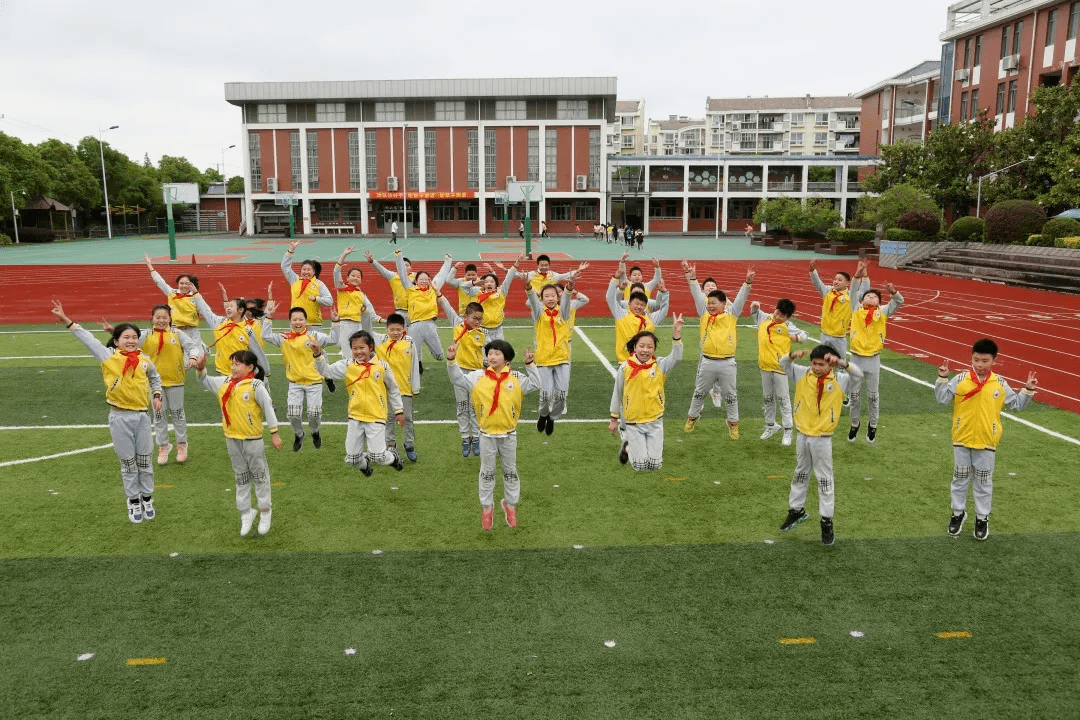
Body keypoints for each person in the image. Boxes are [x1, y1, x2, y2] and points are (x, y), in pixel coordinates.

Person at [51, 301, 164, 524]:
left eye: (134, 337)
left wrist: (157, 394)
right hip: (119, 418)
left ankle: (147, 497)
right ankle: (133, 501)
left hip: (142, 417)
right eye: (126, 337)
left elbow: (155, 377)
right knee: (128, 463)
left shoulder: (144, 359)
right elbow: (88, 339)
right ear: (116, 341)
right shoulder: (108, 357)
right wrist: (67, 320)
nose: (131, 340)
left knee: (145, 461)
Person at [935, 338, 1038, 541]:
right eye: (976, 360)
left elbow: (1016, 404)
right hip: (961, 438)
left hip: (987, 442)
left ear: (994, 361)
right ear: (971, 358)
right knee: (960, 479)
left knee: (983, 481)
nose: (980, 365)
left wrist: (1027, 390)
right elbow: (942, 399)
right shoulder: (961, 379)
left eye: (985, 361)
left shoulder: (999, 384)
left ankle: (982, 518)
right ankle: (958, 514)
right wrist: (942, 379)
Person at [447, 339, 540, 530]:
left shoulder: (515, 377)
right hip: (486, 435)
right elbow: (457, 379)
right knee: (487, 473)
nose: (492, 357)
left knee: (510, 472)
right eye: (489, 353)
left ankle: (510, 505)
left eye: (497, 353)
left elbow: (537, 384)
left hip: (509, 434)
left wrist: (530, 364)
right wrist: (451, 360)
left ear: (506, 358)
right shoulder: (478, 376)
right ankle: (487, 508)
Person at [779, 344, 865, 547]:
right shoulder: (801, 374)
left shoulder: (840, 380)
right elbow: (782, 364)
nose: (816, 368)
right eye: (814, 363)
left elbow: (859, 375)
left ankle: (826, 521)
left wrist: (844, 363)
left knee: (824, 479)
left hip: (823, 439)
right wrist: (792, 355)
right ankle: (796, 510)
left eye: (821, 364)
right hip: (803, 435)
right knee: (800, 473)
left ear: (831, 365)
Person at [196, 349, 283, 537]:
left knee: (260, 476)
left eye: (238, 364)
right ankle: (246, 512)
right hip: (231, 438)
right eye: (232, 363)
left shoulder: (255, 385)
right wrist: (201, 370)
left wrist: (274, 434)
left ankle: (265, 511)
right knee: (241, 477)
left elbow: (269, 409)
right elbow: (205, 381)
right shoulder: (225, 382)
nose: (233, 367)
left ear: (250, 367)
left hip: (253, 439)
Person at [104, 305, 201, 465]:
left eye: (164, 317)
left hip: (176, 380)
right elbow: (128, 340)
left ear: (170, 318)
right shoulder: (146, 335)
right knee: (159, 415)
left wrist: (193, 358)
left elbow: (192, 347)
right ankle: (164, 446)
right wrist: (113, 330)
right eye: (158, 317)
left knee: (177, 414)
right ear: (152, 318)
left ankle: (182, 445)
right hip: (155, 383)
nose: (161, 320)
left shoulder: (177, 334)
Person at [312, 331, 406, 475]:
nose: (358, 351)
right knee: (352, 459)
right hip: (355, 416)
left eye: (362, 348)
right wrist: (318, 354)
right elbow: (327, 371)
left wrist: (398, 410)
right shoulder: (347, 364)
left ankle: (393, 456)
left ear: (371, 347)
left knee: (378, 457)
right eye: (354, 348)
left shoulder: (382, 366)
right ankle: (365, 466)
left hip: (376, 416)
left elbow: (393, 389)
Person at [683, 267, 753, 439]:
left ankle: (733, 423)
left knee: (730, 396)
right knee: (699, 393)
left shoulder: (732, 315)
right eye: (709, 303)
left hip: (727, 362)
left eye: (714, 303)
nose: (710, 305)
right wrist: (693, 279)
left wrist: (747, 282)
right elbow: (697, 295)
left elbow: (741, 299)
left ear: (724, 304)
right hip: (707, 361)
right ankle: (693, 417)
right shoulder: (704, 314)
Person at [261, 301, 339, 451]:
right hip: (295, 383)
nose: (298, 322)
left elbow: (333, 339)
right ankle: (299, 434)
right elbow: (265, 335)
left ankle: (315, 432)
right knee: (293, 414)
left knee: (314, 414)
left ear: (306, 321)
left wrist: (335, 323)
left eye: (301, 319)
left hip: (314, 382)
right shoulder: (284, 337)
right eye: (294, 319)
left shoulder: (314, 335)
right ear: (289, 321)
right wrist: (268, 318)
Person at [608, 317, 685, 471]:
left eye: (649, 347)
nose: (645, 350)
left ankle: (630, 444)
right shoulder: (624, 368)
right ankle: (626, 443)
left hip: (655, 421)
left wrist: (676, 334)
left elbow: (677, 357)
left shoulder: (660, 365)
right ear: (634, 348)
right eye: (641, 346)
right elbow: (617, 394)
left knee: (655, 465)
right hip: (633, 422)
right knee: (640, 466)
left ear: (654, 350)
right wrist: (614, 419)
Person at [847, 283, 904, 444]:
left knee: (873, 396)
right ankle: (854, 423)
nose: (871, 297)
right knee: (854, 396)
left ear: (879, 302)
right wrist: (858, 276)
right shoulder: (855, 309)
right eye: (868, 296)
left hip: (873, 359)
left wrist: (894, 292)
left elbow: (899, 301)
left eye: (875, 297)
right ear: (862, 299)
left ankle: (873, 425)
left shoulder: (883, 312)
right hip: (856, 358)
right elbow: (852, 292)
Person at [749, 298, 809, 447]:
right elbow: (755, 313)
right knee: (768, 398)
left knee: (783, 400)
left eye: (782, 316)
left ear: (787, 317)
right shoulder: (765, 318)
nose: (777, 317)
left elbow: (805, 335)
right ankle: (771, 425)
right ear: (774, 309)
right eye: (777, 312)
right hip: (764, 366)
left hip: (780, 368)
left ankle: (788, 430)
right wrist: (755, 307)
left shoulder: (788, 326)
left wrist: (797, 337)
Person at [527, 271, 580, 435]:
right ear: (541, 299)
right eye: (546, 296)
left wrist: (570, 286)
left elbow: (567, 300)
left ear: (558, 298)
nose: (550, 298)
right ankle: (543, 415)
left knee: (562, 395)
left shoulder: (564, 313)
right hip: (543, 360)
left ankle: (552, 418)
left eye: (553, 295)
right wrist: (528, 287)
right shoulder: (538, 314)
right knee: (545, 395)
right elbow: (533, 301)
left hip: (562, 358)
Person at [437, 294, 487, 457]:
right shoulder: (457, 325)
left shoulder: (483, 333)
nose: (477, 322)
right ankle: (465, 438)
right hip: (459, 373)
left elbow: (490, 350)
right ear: (466, 316)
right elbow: (448, 308)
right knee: (462, 407)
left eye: (480, 319)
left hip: (477, 374)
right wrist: (440, 295)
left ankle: (477, 438)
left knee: (475, 407)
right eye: (474, 318)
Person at [374, 314, 421, 462]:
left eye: (398, 329)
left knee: (407, 418)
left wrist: (415, 387)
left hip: (404, 388)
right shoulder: (381, 340)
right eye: (392, 329)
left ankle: (409, 444)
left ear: (404, 329)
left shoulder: (409, 341)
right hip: (386, 388)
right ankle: (390, 445)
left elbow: (414, 364)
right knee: (388, 418)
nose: (395, 332)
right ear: (387, 329)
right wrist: (366, 314)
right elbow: (366, 329)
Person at [194, 293, 271, 379]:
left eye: (231, 306)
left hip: (241, 375)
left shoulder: (247, 330)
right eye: (227, 306)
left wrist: (266, 370)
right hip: (221, 374)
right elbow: (206, 311)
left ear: (241, 310)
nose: (228, 308)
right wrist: (196, 294)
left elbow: (257, 351)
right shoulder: (220, 323)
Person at [394, 250, 451, 363]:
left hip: (430, 324)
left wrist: (448, 261)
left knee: (439, 356)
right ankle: (417, 365)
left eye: (426, 279)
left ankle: (430, 347)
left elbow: (441, 275)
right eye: (421, 279)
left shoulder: (432, 289)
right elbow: (402, 275)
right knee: (413, 355)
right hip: (414, 325)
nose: (424, 281)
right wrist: (398, 257)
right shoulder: (410, 289)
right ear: (415, 281)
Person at [606, 271, 670, 364]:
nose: (639, 307)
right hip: (626, 363)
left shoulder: (650, 318)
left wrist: (663, 293)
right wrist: (615, 279)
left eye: (642, 305)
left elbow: (663, 310)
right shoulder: (621, 314)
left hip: (647, 363)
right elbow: (610, 298)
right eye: (636, 304)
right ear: (629, 303)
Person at [457, 253, 526, 341]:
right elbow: (463, 286)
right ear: (483, 284)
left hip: (498, 330)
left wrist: (518, 261)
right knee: (486, 353)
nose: (489, 284)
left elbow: (509, 276)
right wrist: (474, 283)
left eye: (492, 282)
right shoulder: (478, 292)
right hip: (483, 329)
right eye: (486, 282)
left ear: (496, 284)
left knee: (499, 352)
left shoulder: (501, 292)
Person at [144, 253, 203, 345]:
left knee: (195, 356)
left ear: (191, 284)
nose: (184, 286)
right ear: (178, 284)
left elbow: (204, 311)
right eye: (181, 283)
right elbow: (160, 282)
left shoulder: (196, 297)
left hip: (192, 331)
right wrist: (150, 266)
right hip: (176, 330)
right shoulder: (172, 293)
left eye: (186, 283)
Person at [334, 245, 380, 354]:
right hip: (345, 324)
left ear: (360, 280)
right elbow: (336, 271)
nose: (355, 278)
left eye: (358, 277)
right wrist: (344, 255)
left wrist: (378, 319)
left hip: (358, 325)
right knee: (347, 354)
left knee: (359, 353)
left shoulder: (361, 294)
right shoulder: (342, 289)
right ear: (347, 278)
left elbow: (370, 308)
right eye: (353, 275)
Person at [281, 240, 333, 326]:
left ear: (314, 271)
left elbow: (329, 301)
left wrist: (317, 299)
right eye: (304, 269)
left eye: (309, 270)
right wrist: (291, 250)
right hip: (296, 323)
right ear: (301, 271)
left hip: (314, 324)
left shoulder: (319, 284)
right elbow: (285, 267)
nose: (306, 272)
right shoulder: (295, 280)